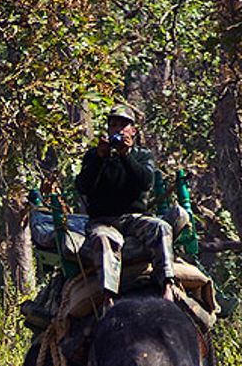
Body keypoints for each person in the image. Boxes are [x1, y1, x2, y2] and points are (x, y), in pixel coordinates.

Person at [74, 102, 174, 295]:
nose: (118, 130)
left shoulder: (142, 155)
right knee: (103, 240)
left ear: (133, 130)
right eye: (113, 125)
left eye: (123, 125)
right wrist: (100, 157)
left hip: (134, 219)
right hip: (103, 221)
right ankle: (108, 296)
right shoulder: (94, 156)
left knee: (161, 227)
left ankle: (168, 285)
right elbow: (83, 187)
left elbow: (145, 182)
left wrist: (125, 155)